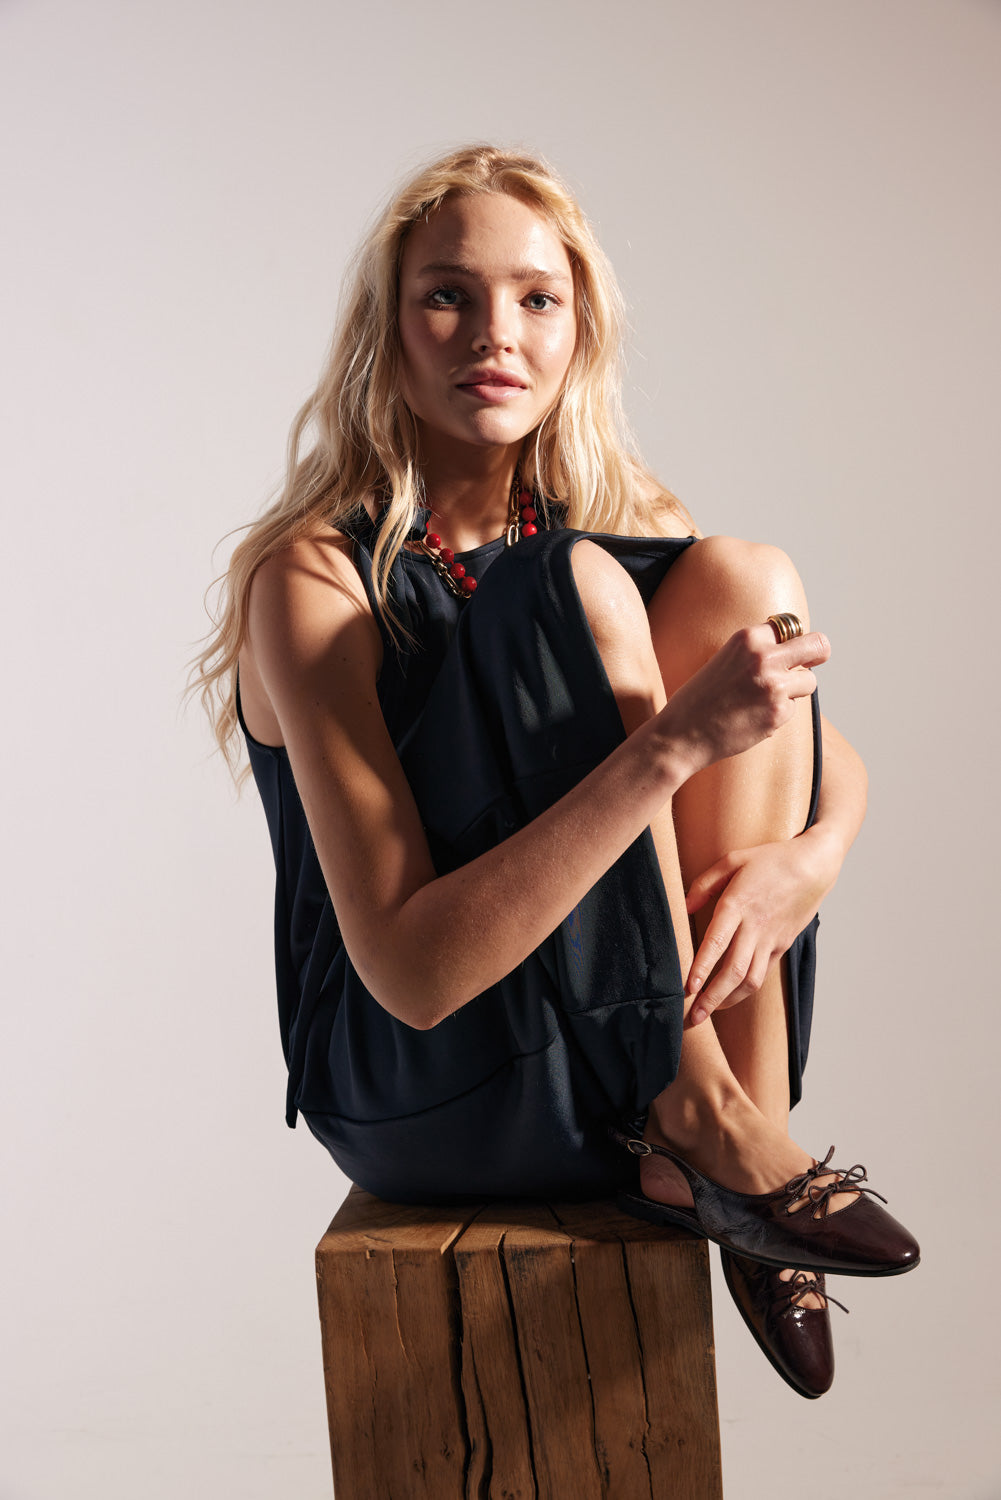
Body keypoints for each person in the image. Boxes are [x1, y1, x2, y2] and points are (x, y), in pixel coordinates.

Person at [193, 145, 918, 1401]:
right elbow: (412, 975)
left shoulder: (615, 519)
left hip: (605, 1071)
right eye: (447, 295)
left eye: (536, 298)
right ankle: (707, 1120)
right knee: (567, 584)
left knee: (745, 578)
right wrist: (669, 746)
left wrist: (811, 859)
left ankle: (741, 1133)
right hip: (425, 1080)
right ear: (386, 330)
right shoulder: (313, 579)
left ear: (578, 331)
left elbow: (816, 749)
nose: (495, 333)